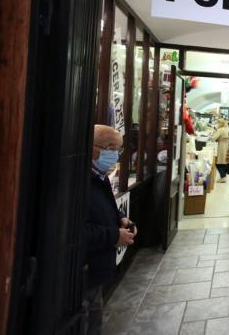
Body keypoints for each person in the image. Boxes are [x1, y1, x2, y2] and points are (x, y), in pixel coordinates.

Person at [84, 125, 136, 335]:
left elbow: (106, 206)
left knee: (94, 314)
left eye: (118, 149)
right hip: (82, 268)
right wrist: (115, 235)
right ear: (92, 147)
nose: (115, 154)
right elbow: (78, 231)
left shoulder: (100, 176)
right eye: (110, 148)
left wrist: (120, 218)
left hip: (95, 268)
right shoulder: (78, 182)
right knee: (87, 318)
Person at [212, 119, 229, 183]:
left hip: (221, 146)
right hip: (227, 146)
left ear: (220, 123)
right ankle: (223, 176)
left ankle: (223, 177)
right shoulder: (227, 129)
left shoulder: (220, 130)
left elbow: (213, 138)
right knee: (224, 162)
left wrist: (214, 129)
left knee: (218, 162)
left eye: (217, 123)